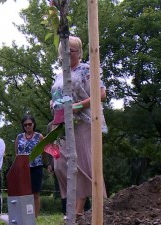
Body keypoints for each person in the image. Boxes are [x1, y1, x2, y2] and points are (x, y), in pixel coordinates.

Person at [50, 36, 107, 224]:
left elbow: (101, 95)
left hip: (84, 121)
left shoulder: (87, 69)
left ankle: (80, 211)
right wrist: (54, 103)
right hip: (62, 124)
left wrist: (76, 107)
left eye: (71, 50)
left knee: (82, 164)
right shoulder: (60, 75)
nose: (67, 54)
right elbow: (57, 97)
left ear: (79, 52)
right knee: (59, 165)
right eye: (64, 51)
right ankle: (72, 204)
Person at [14, 115, 44, 218]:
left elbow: (44, 151)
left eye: (29, 124)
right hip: (23, 168)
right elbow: (16, 153)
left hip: (36, 167)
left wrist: (46, 164)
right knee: (24, 194)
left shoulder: (39, 136)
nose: (27, 126)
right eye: (25, 125)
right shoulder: (19, 137)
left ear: (33, 124)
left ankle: (35, 216)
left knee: (35, 193)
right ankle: (26, 215)